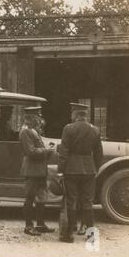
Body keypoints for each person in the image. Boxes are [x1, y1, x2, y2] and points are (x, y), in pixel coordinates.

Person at [58, 103, 103, 243]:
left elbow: (64, 151)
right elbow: (99, 153)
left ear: (76, 115)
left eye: (72, 113)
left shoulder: (68, 128)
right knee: (87, 202)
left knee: (72, 201)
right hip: (89, 170)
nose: (71, 116)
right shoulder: (95, 130)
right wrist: (95, 168)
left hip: (71, 169)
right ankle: (91, 236)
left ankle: (69, 235)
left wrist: (60, 170)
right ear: (85, 115)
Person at [19, 106, 55, 236]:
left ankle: (40, 224)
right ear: (32, 118)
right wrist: (48, 151)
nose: (40, 119)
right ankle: (28, 227)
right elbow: (31, 152)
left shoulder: (33, 131)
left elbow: (36, 149)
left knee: (41, 197)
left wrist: (47, 150)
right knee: (30, 198)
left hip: (39, 169)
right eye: (38, 116)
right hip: (32, 169)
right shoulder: (25, 131)